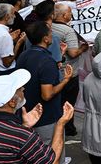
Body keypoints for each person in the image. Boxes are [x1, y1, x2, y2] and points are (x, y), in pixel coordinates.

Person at [0, 69, 76, 164]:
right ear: (12, 102)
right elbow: (52, 161)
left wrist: (25, 126)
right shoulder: (23, 136)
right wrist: (60, 124)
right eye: (19, 89)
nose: (23, 89)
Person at [17, 21, 74, 163]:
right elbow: (47, 94)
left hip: (28, 115)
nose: (52, 36)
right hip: (46, 119)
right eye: (50, 34)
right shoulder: (46, 60)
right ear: (46, 39)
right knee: (51, 156)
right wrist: (65, 80)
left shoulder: (23, 56)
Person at [52, 3, 89, 136]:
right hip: (69, 73)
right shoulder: (68, 31)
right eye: (70, 13)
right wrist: (83, 49)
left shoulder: (50, 25)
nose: (71, 15)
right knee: (68, 103)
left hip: (55, 71)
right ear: (64, 15)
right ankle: (68, 128)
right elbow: (73, 53)